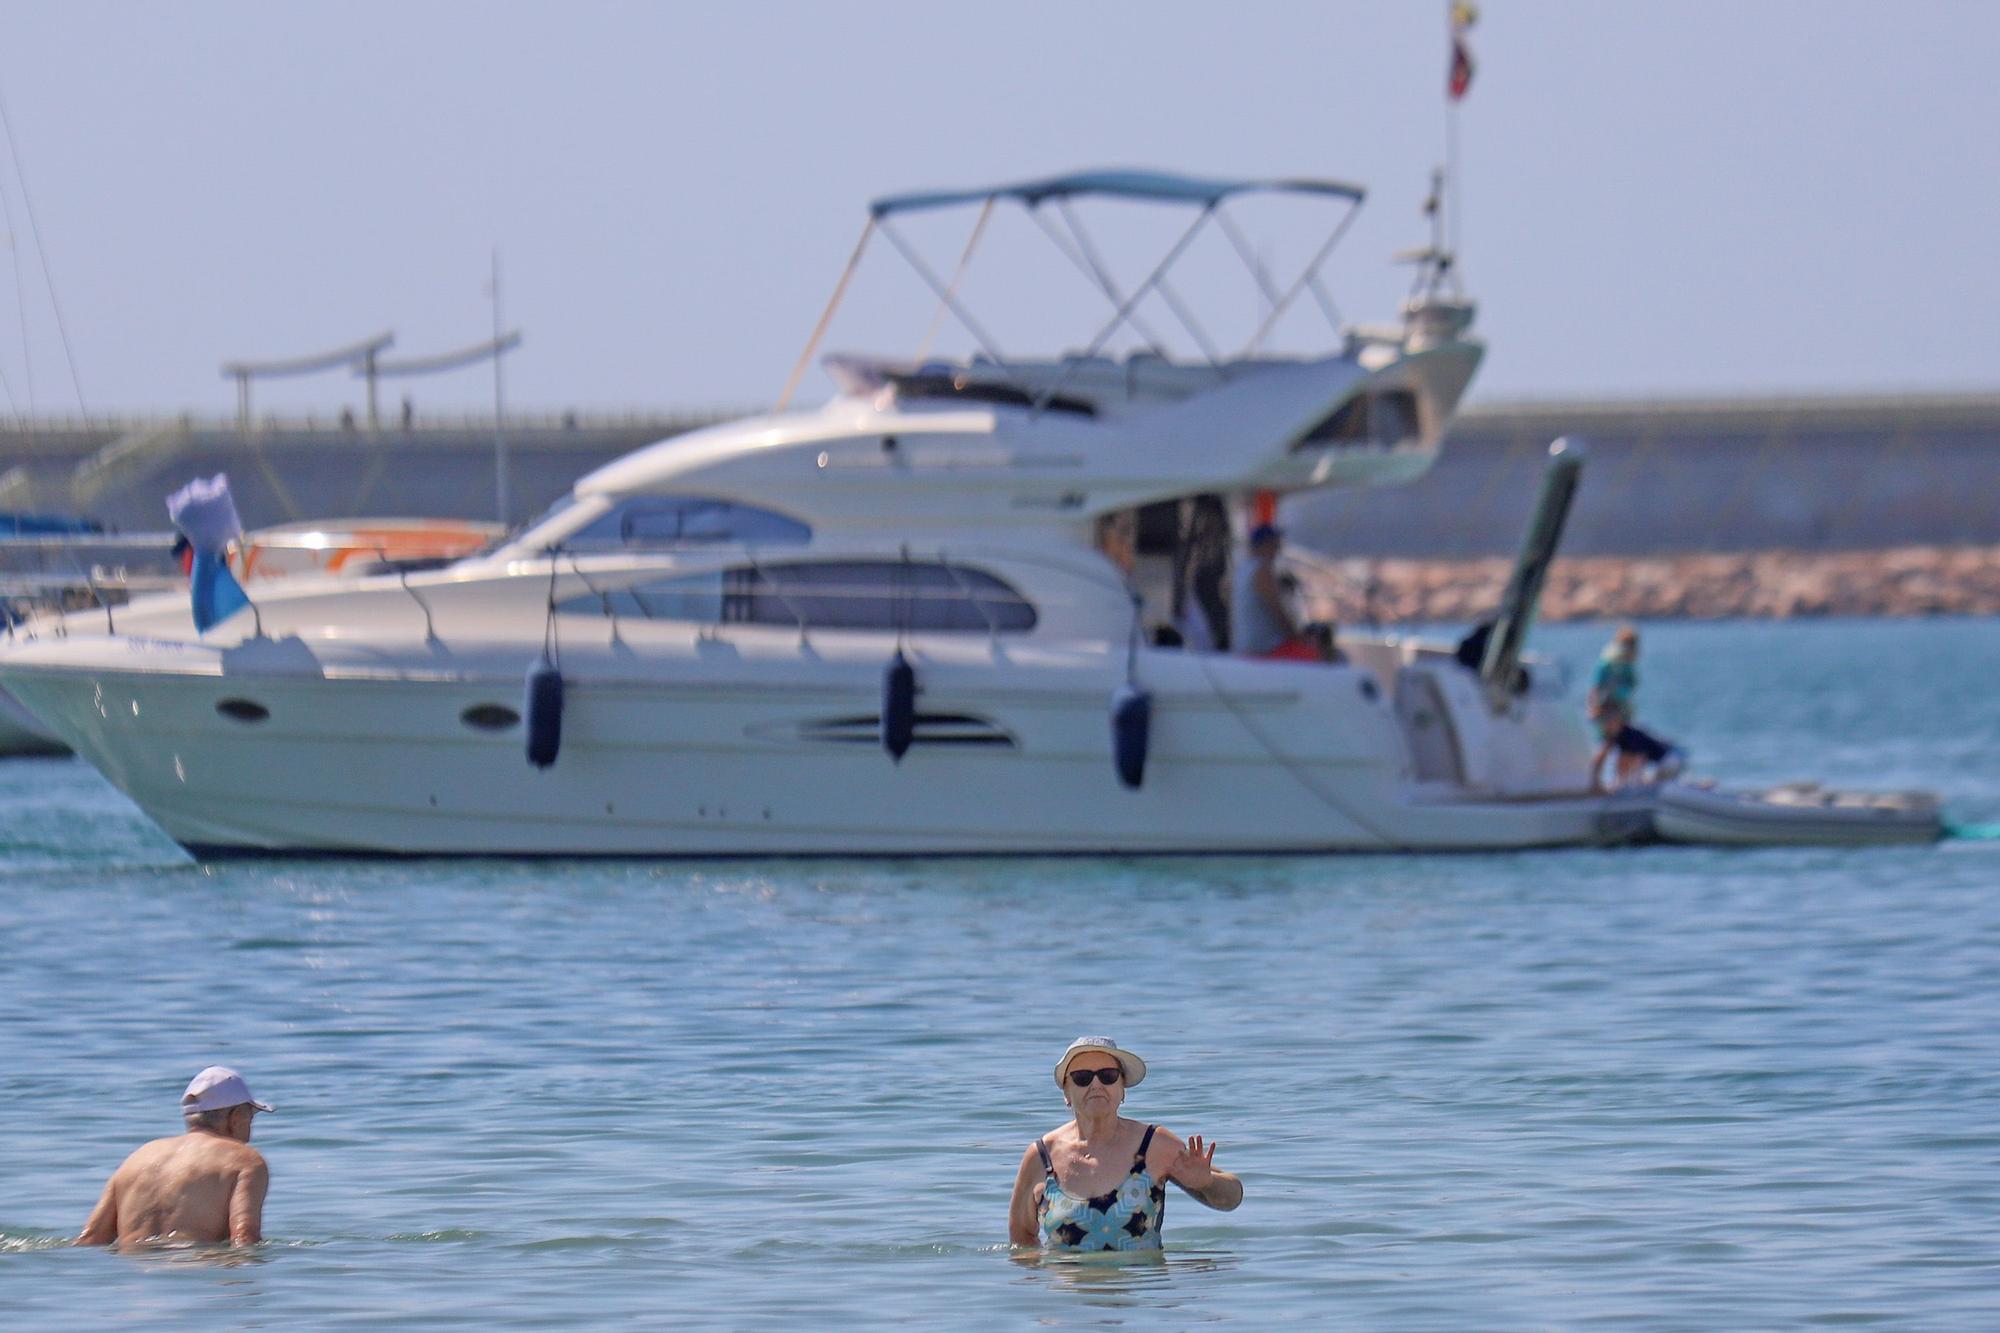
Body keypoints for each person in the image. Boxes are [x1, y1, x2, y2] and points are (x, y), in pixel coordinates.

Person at [1009, 1037, 1242, 1252]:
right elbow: (1021, 1244)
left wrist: (1208, 1183)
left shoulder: (1154, 1145)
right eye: (1082, 1078)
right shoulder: (1040, 1156)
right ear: (1066, 1093)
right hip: (1067, 1292)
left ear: (1122, 1089)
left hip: (1141, 1288)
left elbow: (1233, 1198)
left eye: (1107, 1075)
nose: (1096, 1085)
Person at [76, 1066, 273, 1247]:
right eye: (251, 1116)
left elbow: (91, 1238)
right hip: (197, 1275)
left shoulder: (138, 1157)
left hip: (134, 1278)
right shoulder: (244, 1160)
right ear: (236, 1117)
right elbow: (244, 1237)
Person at [1590, 700, 1686, 791]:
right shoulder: (1617, 736)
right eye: (1600, 722)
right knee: (1647, 782)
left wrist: (1628, 783)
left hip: (1670, 759)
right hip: (1670, 759)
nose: (1603, 725)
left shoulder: (1629, 734)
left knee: (1649, 784)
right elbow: (1613, 761)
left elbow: (1639, 759)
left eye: (1606, 720)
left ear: (1617, 719)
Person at [1589, 625, 1640, 718]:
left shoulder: (1627, 664)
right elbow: (1596, 686)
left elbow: (1632, 683)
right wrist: (1594, 705)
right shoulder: (1607, 662)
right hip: (1606, 705)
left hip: (1620, 705)